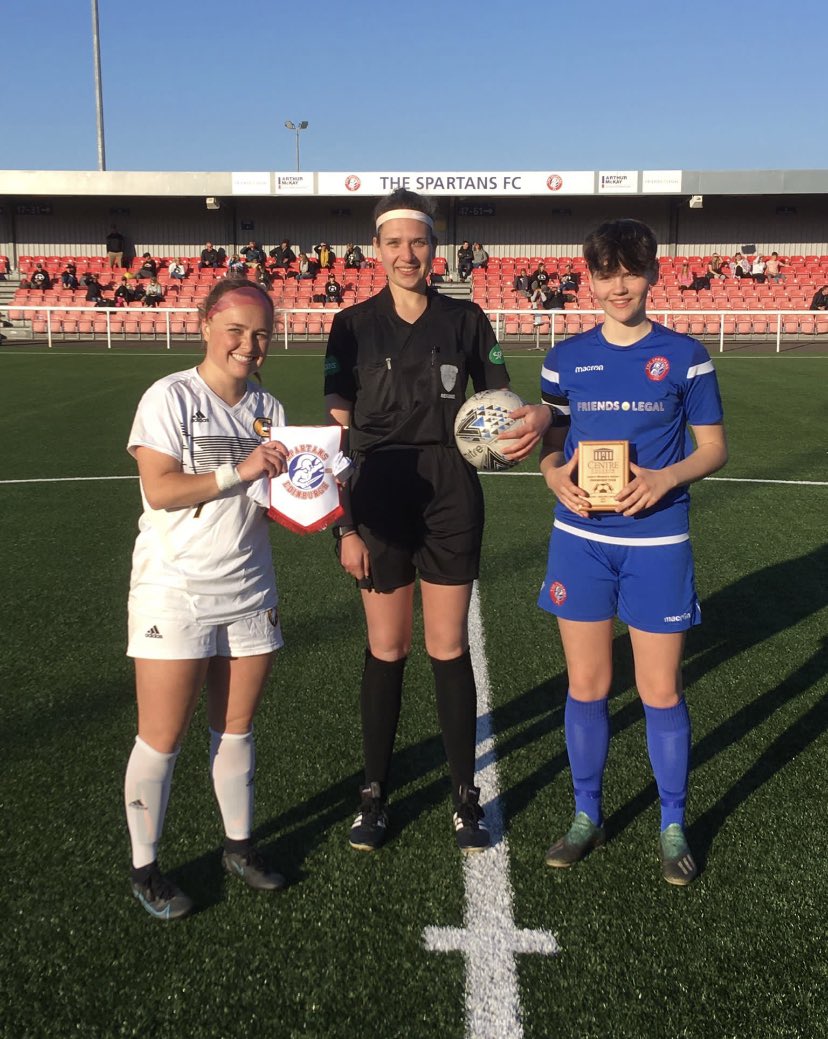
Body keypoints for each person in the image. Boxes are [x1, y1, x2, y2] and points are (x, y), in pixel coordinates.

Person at [324, 188, 551, 856]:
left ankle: (462, 793)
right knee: (386, 647)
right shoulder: (351, 325)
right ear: (377, 250)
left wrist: (518, 430)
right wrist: (345, 526)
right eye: (393, 243)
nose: (406, 254)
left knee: (447, 646)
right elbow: (337, 439)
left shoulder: (468, 320)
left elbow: (502, 403)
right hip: (379, 493)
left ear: (435, 248)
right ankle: (374, 792)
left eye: (417, 242)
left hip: (452, 489)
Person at [537, 219, 727, 887]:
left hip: (658, 542)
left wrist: (665, 477)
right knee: (586, 685)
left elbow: (713, 447)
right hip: (582, 542)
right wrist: (552, 474)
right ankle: (587, 813)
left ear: (651, 273)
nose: (619, 285)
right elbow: (553, 436)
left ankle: (672, 820)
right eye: (605, 273)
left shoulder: (685, 355)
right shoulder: (565, 356)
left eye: (630, 271)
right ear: (589, 278)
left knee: (659, 688)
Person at [123, 279, 290, 921]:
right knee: (162, 738)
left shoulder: (268, 406)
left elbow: (271, 501)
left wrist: (316, 487)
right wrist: (239, 471)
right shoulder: (170, 396)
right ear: (205, 326)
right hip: (176, 589)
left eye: (261, 334)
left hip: (248, 587)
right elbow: (161, 490)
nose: (249, 344)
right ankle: (146, 867)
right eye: (237, 330)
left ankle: (239, 846)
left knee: (237, 729)